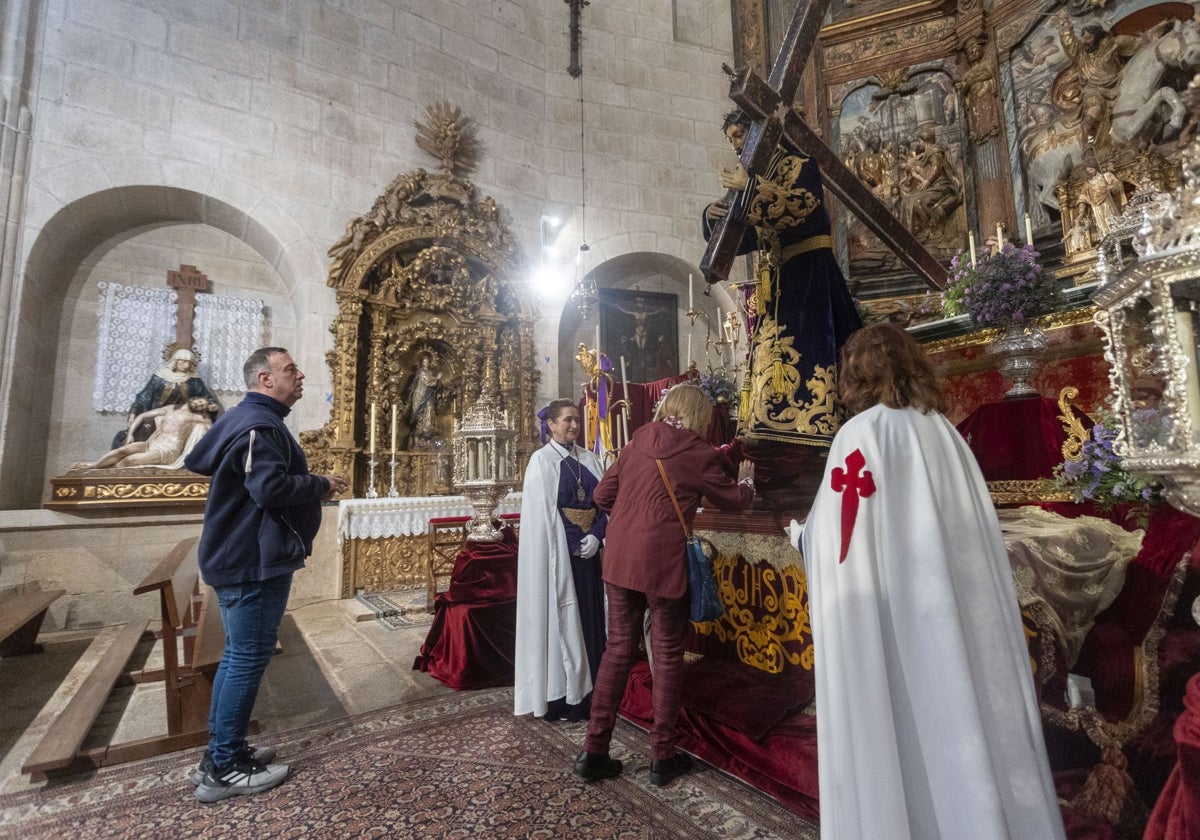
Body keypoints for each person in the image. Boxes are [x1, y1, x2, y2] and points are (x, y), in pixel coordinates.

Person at [793, 323, 1066, 839]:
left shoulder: (859, 434)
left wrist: (804, 536)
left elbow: (839, 541)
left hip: (893, 624)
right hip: (951, 618)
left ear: (856, 375)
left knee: (899, 728)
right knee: (960, 705)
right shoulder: (942, 431)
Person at [183, 347, 349, 802]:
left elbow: (262, 481)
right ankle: (225, 768)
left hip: (245, 557)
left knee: (240, 656)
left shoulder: (252, 421)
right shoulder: (258, 424)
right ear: (264, 378)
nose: (300, 374)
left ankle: (221, 754)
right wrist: (322, 484)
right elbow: (270, 488)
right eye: (290, 369)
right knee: (246, 658)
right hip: (250, 561)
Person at [575, 384, 754, 787]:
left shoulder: (636, 442)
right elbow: (735, 501)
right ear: (699, 415)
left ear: (666, 408)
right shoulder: (696, 451)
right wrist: (748, 484)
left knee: (618, 649)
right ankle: (662, 756)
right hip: (662, 562)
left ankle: (593, 751)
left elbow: (603, 494)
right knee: (668, 653)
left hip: (620, 558)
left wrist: (634, 514)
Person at [702, 110, 862, 498]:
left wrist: (751, 189)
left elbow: (804, 209)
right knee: (771, 355)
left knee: (810, 351)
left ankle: (812, 431)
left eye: (740, 134)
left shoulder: (797, 164)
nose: (737, 144)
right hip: (780, 283)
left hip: (810, 277)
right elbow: (751, 237)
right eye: (731, 139)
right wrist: (715, 217)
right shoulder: (761, 176)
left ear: (762, 131)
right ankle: (769, 429)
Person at [514, 398, 608, 722]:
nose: (573, 426)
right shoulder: (541, 463)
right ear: (551, 425)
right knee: (563, 622)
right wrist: (573, 542)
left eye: (576, 421)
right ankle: (565, 696)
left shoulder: (592, 460)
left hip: (590, 557)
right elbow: (545, 517)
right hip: (560, 560)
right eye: (566, 420)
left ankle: (594, 692)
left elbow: (607, 505)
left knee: (592, 621)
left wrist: (597, 536)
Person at [1055, 9, 1144, 148]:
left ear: (1098, 37)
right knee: (1093, 114)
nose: (1085, 41)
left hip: (1119, 83)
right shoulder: (1081, 53)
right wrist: (1064, 24)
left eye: (1088, 37)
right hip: (1094, 91)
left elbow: (1139, 44)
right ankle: (1088, 148)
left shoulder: (1114, 43)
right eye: (1083, 38)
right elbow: (1069, 43)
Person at [114, 346, 222, 448]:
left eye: (190, 362)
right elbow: (144, 397)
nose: (187, 365)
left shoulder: (194, 380)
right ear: (175, 361)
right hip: (160, 413)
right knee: (143, 431)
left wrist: (211, 406)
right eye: (183, 361)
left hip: (183, 416)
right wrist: (133, 413)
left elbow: (207, 398)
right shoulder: (159, 377)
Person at [74, 398, 217, 469]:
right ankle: (93, 466)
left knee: (129, 460)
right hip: (152, 443)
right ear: (193, 398)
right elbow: (142, 416)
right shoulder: (170, 409)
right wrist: (130, 435)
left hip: (168, 450)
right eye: (199, 401)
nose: (199, 405)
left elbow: (214, 432)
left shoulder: (199, 418)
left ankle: (106, 470)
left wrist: (212, 410)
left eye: (202, 406)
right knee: (120, 451)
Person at [405, 352, 442, 446]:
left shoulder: (429, 372)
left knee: (430, 409)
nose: (426, 363)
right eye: (424, 362)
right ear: (421, 362)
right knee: (421, 412)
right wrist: (437, 378)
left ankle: (428, 428)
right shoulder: (421, 372)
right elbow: (429, 383)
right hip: (420, 395)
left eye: (428, 362)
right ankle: (421, 430)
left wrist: (437, 381)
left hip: (428, 395)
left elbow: (434, 385)